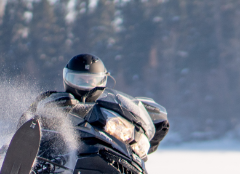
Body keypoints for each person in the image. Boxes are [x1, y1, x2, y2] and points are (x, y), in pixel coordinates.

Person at [23, 53, 169, 155]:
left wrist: (152, 125)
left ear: (103, 81)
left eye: (91, 81)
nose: (85, 86)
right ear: (67, 79)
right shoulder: (54, 100)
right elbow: (27, 118)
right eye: (79, 80)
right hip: (56, 155)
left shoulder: (108, 110)